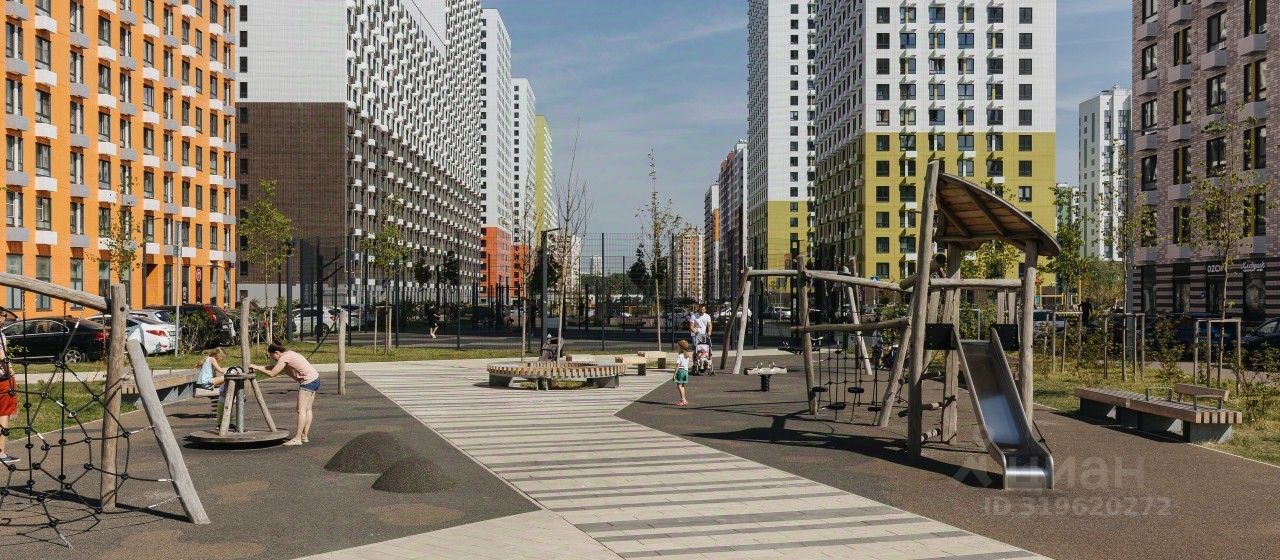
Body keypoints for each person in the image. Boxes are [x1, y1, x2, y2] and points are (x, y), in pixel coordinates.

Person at [249, 342, 320, 446]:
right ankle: (304, 436)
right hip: (315, 379)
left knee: (301, 410)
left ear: (277, 353)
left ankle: (297, 438)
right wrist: (258, 367)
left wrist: (257, 367)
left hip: (308, 381)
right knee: (307, 409)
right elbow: (273, 367)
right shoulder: (289, 353)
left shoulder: (283, 358)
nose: (272, 358)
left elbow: (272, 373)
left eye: (271, 355)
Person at [0, 313, 19, 464]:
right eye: (2, 315)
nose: (4, 318)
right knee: (4, 414)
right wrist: (8, 369)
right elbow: (1, 355)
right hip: (2, 378)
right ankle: (1, 453)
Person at [673, 339, 690, 406]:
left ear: (681, 347)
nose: (677, 347)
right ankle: (683, 399)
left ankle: (683, 399)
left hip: (680, 371)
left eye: (678, 346)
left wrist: (674, 374)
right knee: (682, 386)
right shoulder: (687, 355)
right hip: (685, 371)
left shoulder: (680, 356)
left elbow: (677, 365)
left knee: (679, 386)